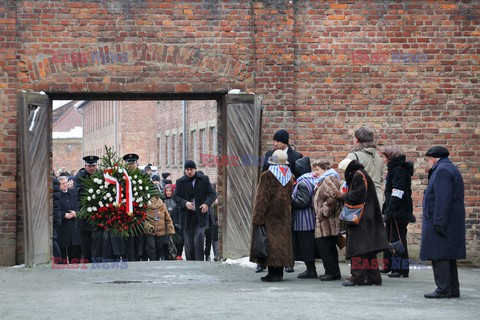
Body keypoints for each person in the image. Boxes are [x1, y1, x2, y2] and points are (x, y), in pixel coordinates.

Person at [421, 146, 466, 299]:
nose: (428, 162)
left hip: (441, 220)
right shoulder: (449, 168)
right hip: (449, 220)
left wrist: (439, 221)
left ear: (434, 158)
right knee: (448, 256)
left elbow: (443, 199)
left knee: (439, 255)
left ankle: (443, 289)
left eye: (428, 159)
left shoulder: (442, 171)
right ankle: (452, 289)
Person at [336, 160, 388, 286]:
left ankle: (357, 277)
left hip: (360, 219)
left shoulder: (358, 176)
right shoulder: (362, 174)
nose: (343, 175)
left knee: (358, 248)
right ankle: (373, 277)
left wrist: (343, 196)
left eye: (343, 172)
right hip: (368, 217)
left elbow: (358, 195)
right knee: (368, 249)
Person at [260, 129, 302, 273]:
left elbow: (299, 177)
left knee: (287, 232)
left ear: (285, 142)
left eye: (278, 141)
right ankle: (264, 262)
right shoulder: (269, 155)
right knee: (270, 234)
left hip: (288, 199)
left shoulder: (296, 156)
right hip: (272, 200)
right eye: (274, 141)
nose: (275, 144)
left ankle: (288, 262)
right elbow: (264, 174)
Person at [250, 150, 295, 282]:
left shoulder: (267, 176)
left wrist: (257, 217)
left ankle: (272, 273)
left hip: (269, 215)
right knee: (282, 242)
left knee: (270, 243)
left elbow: (262, 198)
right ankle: (279, 272)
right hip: (284, 215)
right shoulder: (290, 176)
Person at [381, 145, 415, 278]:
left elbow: (398, 192)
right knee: (390, 237)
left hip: (398, 210)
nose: (384, 159)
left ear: (391, 157)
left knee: (397, 239)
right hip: (394, 208)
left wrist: (390, 209)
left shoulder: (399, 170)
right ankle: (389, 265)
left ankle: (400, 269)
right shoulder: (394, 169)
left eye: (386, 157)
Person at [173, 160, 217, 261]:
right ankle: (191, 262)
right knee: (189, 241)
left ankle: (199, 261)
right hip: (187, 216)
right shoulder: (180, 182)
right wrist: (185, 203)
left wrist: (207, 203)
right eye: (187, 169)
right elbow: (176, 197)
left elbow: (212, 194)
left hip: (200, 214)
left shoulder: (204, 179)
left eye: (191, 169)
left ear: (195, 169)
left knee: (199, 237)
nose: (189, 171)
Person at [312, 159, 343, 281]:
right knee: (327, 246)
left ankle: (332, 272)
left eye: (317, 169)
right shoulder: (325, 179)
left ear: (324, 169)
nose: (315, 172)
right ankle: (332, 271)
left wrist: (322, 213)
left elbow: (332, 199)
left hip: (327, 221)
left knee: (326, 246)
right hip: (327, 221)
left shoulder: (328, 179)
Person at [291, 157, 319, 279]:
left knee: (306, 245)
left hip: (304, 220)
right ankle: (311, 269)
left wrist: (290, 199)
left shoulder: (303, 182)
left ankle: (311, 270)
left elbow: (303, 202)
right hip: (311, 218)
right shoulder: (313, 179)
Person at [345, 126, 384, 208]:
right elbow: (381, 179)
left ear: (357, 140)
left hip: (361, 199)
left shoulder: (353, 156)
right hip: (378, 199)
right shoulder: (378, 158)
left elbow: (347, 178)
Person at [76, 155, 100, 263]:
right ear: (85, 165)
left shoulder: (100, 175)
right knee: (86, 243)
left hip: (98, 215)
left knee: (98, 242)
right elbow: (78, 193)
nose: (91, 168)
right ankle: (87, 261)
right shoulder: (80, 176)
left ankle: (97, 261)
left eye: (93, 165)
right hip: (85, 216)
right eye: (89, 166)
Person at [122, 153, 145, 261]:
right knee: (128, 239)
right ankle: (129, 259)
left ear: (136, 163)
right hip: (125, 213)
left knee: (139, 238)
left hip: (139, 212)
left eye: (133, 163)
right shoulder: (122, 176)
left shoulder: (142, 175)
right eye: (129, 163)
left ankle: (137, 258)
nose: (131, 165)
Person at [57, 176, 81, 263]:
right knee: (62, 248)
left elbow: (79, 205)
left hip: (74, 225)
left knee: (75, 248)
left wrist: (76, 213)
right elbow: (54, 210)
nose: (65, 185)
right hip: (63, 226)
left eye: (66, 182)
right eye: (63, 183)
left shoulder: (73, 193)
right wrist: (64, 215)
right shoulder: (57, 195)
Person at [144, 195, 175, 261]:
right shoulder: (145, 206)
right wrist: (147, 226)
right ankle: (153, 260)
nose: (153, 199)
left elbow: (167, 218)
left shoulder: (162, 205)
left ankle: (157, 260)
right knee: (151, 246)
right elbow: (143, 219)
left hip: (161, 231)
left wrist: (170, 229)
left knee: (159, 246)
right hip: (150, 231)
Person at [164, 184, 183, 260]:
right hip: (166, 223)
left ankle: (178, 254)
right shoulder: (163, 200)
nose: (168, 192)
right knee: (166, 240)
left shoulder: (176, 200)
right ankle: (168, 254)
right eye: (167, 191)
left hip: (175, 222)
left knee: (178, 239)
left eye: (170, 191)